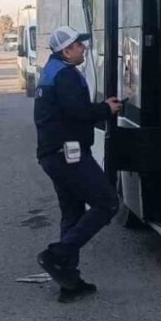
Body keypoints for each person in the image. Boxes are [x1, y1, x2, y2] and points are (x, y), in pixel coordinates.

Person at [33, 26, 122, 303]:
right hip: (67, 155)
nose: (83, 49)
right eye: (79, 45)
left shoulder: (52, 72)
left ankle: (68, 282)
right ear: (66, 51)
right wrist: (106, 109)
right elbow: (78, 113)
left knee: (72, 213)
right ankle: (56, 255)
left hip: (53, 155)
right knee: (107, 203)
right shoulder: (66, 76)